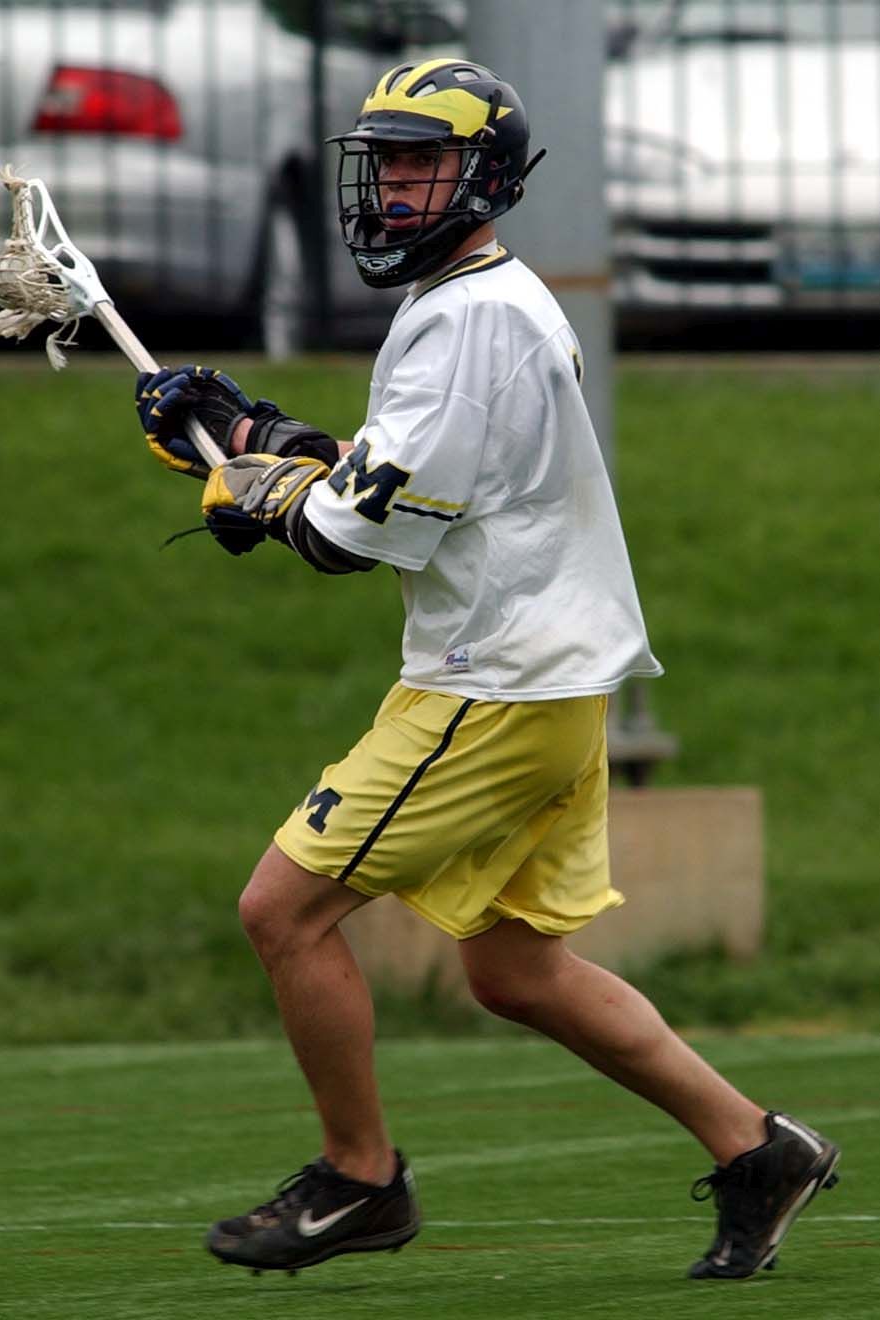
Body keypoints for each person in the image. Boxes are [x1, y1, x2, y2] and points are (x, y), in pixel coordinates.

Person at [134, 59, 839, 1282]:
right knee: (515, 970)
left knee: (282, 912)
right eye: (386, 163)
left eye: (425, 162)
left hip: (494, 685)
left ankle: (360, 1180)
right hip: (545, 677)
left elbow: (352, 534)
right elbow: (398, 476)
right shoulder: (477, 301)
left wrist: (251, 491)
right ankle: (756, 1148)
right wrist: (254, 438)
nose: (395, 187)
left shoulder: (467, 318)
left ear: (489, 175)